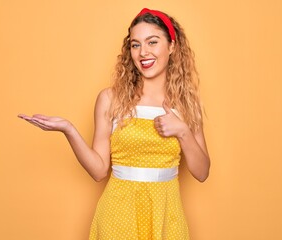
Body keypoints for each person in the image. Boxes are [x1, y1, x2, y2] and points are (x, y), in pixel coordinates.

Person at [18, 8, 210, 240]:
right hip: (118, 214)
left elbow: (201, 173)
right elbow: (99, 171)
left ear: (171, 46)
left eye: (152, 42)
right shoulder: (111, 99)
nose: (143, 52)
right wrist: (68, 129)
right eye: (135, 45)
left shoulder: (187, 104)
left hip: (166, 215)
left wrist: (182, 131)